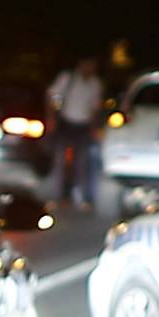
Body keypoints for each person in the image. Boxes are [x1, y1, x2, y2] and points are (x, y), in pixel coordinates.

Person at [46, 54, 104, 209]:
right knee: (60, 161)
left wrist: (94, 128)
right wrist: (51, 118)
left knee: (82, 162)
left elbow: (95, 108)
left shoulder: (95, 83)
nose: (90, 69)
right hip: (66, 123)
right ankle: (57, 197)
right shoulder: (68, 78)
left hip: (83, 126)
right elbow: (51, 96)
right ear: (81, 65)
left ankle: (83, 198)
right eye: (88, 65)